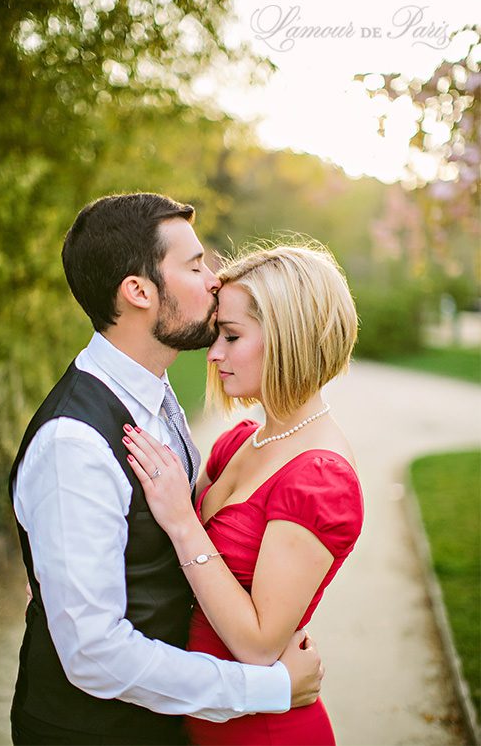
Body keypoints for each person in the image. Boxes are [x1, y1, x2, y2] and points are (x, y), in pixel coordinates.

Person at [9, 193, 324, 745]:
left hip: (162, 722)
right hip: (93, 733)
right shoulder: (73, 443)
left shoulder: (153, 395)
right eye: (195, 264)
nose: (214, 279)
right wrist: (264, 688)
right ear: (138, 291)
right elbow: (93, 653)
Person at [123, 243, 361, 745]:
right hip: (203, 712)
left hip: (262, 731)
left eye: (231, 336)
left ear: (286, 338)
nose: (214, 354)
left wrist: (185, 523)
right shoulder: (239, 443)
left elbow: (257, 644)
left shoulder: (320, 480)